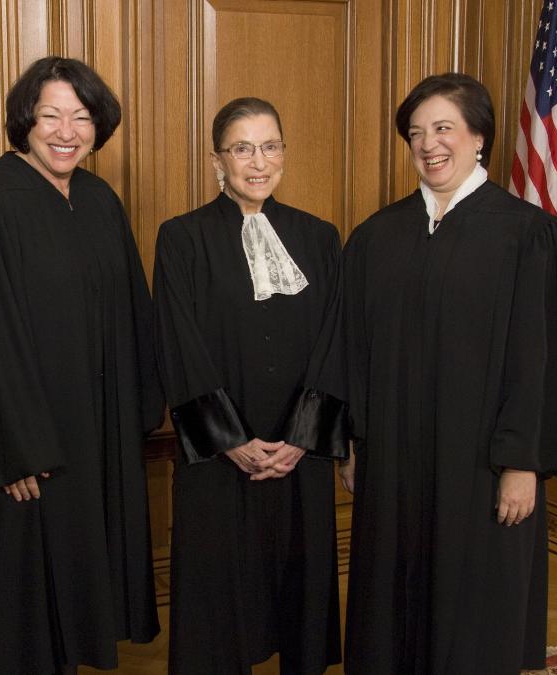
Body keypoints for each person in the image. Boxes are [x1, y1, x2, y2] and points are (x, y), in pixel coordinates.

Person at [339, 73, 557, 674]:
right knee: (390, 610)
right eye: (416, 133)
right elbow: (352, 349)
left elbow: (538, 362)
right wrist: (353, 441)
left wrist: (523, 461)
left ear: (479, 138)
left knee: (475, 613)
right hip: (392, 463)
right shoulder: (377, 237)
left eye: (444, 128)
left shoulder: (528, 237)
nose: (428, 144)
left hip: (484, 467)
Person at [0, 56, 162, 675]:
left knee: (74, 606)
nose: (66, 131)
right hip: (30, 450)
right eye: (51, 116)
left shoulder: (98, 198)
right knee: (24, 628)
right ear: (25, 120)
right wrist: (14, 450)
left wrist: (135, 413)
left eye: (82, 116)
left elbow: (131, 311)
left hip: (93, 431)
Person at [153, 97, 349, 675]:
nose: (257, 161)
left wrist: (304, 437)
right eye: (242, 148)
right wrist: (229, 439)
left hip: (298, 452)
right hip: (219, 455)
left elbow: (336, 342)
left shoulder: (319, 237)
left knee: (301, 587)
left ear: (284, 153)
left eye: (269, 146)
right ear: (218, 159)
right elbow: (178, 344)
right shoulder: (181, 238)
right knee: (219, 595)